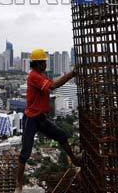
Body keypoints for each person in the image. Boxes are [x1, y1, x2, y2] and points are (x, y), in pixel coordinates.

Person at [14, 49, 80, 193]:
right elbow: (54, 86)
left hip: (41, 118)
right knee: (25, 153)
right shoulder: (34, 76)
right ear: (38, 63)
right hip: (31, 119)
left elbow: (50, 87)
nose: (45, 64)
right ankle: (19, 184)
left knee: (61, 135)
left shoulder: (40, 76)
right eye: (44, 62)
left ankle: (75, 160)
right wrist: (72, 73)